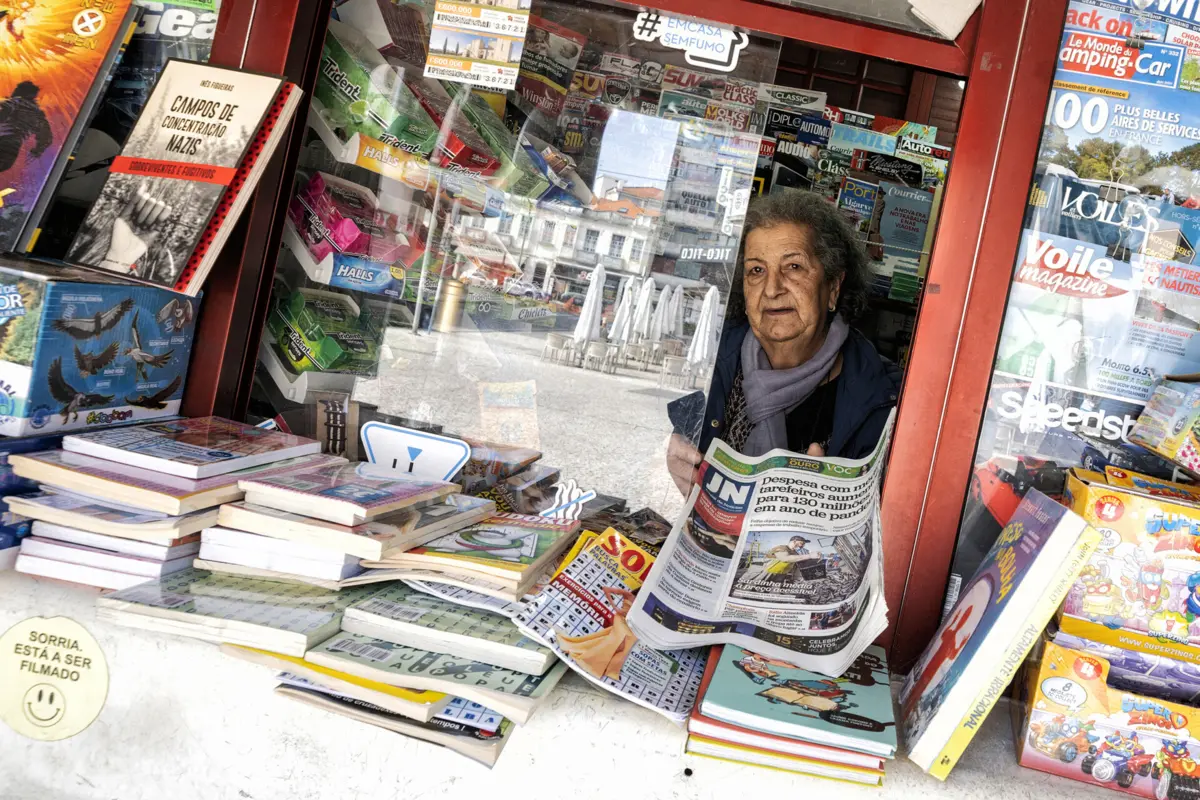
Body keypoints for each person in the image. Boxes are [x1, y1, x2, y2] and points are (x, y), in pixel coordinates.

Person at [666, 190, 900, 495]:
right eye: (757, 271)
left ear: (833, 287)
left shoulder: (885, 400)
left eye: (794, 267)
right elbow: (682, 440)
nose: (772, 289)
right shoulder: (714, 360)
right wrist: (676, 457)